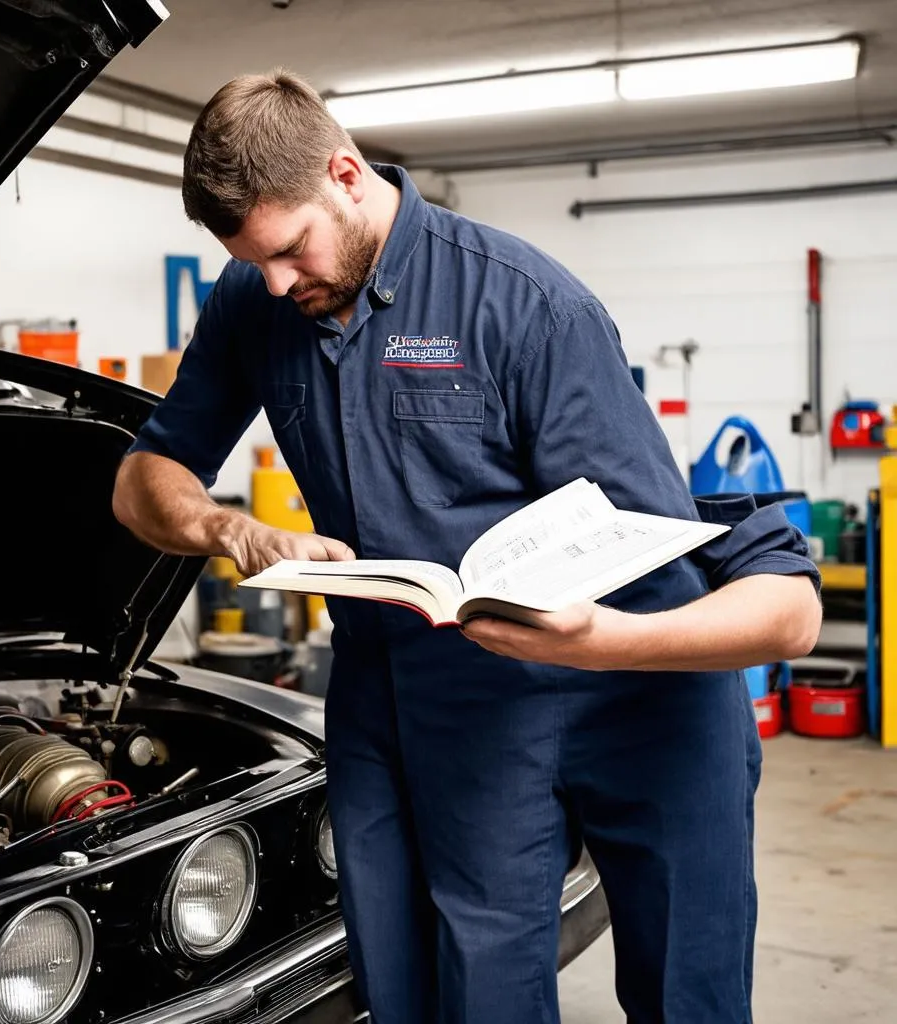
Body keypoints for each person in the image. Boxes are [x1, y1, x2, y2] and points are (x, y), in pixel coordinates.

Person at [112, 68, 822, 1024]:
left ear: (346, 174)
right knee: (467, 988)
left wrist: (597, 640)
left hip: (632, 680)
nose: (276, 283)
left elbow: (651, 534)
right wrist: (222, 525)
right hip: (454, 694)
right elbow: (142, 479)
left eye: (288, 250)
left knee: (685, 994)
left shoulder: (526, 303)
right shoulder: (258, 299)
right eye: (254, 261)